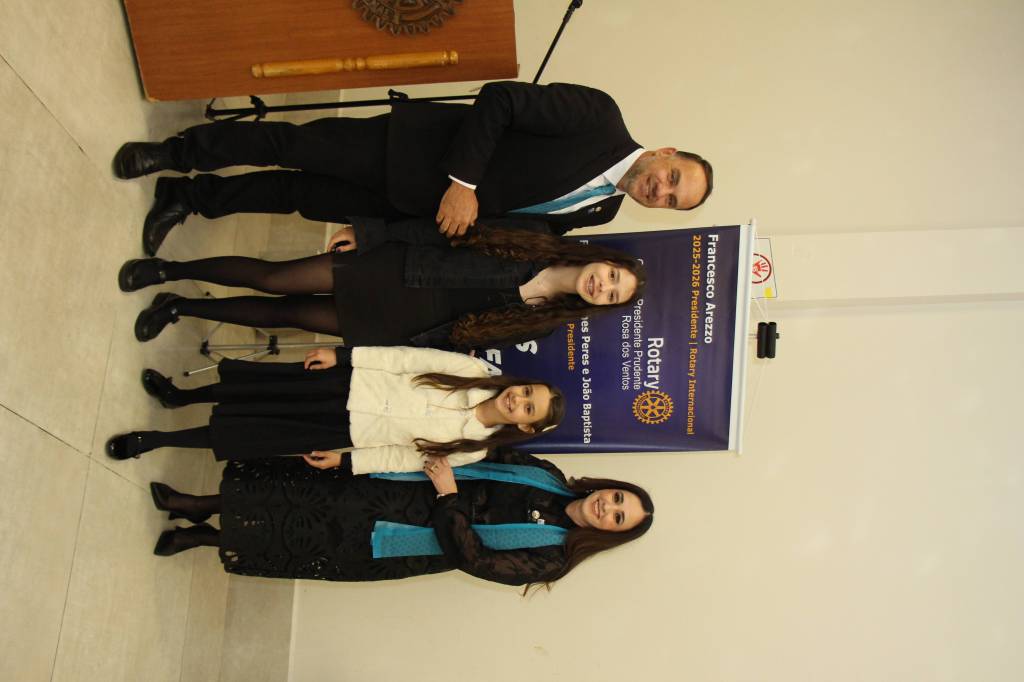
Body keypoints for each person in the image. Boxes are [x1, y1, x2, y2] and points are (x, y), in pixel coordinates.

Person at [111, 80, 714, 255]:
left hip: (408, 208)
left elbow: (519, 228)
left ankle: (188, 199)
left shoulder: (603, 212)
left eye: (671, 201)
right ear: (666, 152)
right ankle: (177, 153)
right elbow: (501, 99)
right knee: (289, 146)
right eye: (673, 178)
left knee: (294, 196)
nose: (660, 191)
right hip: (410, 150)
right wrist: (463, 183)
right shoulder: (600, 117)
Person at [145, 447, 655, 588]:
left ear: (608, 534)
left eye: (617, 518)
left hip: (403, 538)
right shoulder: (546, 474)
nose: (607, 508)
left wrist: (449, 497)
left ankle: (203, 539)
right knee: (293, 493)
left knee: (301, 536)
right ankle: (196, 505)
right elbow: (479, 452)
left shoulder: (553, 559)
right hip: (397, 487)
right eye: (617, 499)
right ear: (608, 487)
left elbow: (475, 560)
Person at [120, 222, 647, 350]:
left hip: (398, 323)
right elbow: (450, 229)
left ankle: (178, 307)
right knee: (274, 278)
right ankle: (169, 270)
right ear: (605, 260)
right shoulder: (537, 235)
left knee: (287, 316)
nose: (603, 286)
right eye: (613, 277)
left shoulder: (545, 323)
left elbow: (460, 342)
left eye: (611, 295)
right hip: (394, 268)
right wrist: (373, 234)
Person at [105, 346, 564, 470]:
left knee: (248, 434)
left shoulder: (474, 449)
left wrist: (345, 461)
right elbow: (402, 358)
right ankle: (179, 396)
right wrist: (342, 356)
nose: (518, 399)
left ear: (526, 426)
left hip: (346, 431)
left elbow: (402, 459)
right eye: (527, 391)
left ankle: (156, 440)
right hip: (345, 384)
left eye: (528, 408)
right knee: (253, 390)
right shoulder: (472, 370)